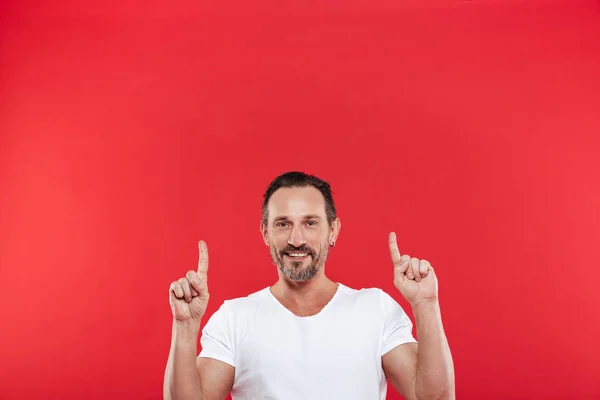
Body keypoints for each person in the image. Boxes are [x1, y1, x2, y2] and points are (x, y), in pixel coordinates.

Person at [164, 171, 455, 400]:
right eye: (282, 224)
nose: (296, 239)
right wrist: (185, 328)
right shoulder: (233, 318)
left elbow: (433, 396)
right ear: (265, 232)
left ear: (333, 231)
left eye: (310, 223)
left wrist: (426, 305)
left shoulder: (375, 309)